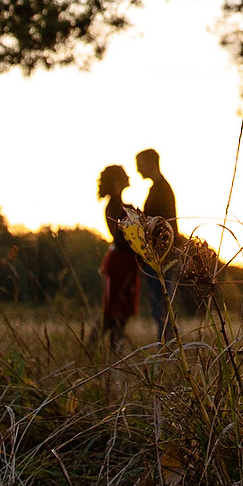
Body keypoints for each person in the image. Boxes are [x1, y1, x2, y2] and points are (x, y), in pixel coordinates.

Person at [135, 147, 179, 341]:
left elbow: (162, 225)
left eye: (140, 165)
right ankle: (167, 344)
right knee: (161, 303)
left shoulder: (161, 190)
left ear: (151, 163)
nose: (138, 170)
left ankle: (167, 345)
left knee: (161, 304)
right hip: (160, 255)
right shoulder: (159, 188)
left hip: (161, 256)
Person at [97, 164, 140, 350]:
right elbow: (121, 236)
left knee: (118, 310)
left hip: (124, 260)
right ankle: (102, 348)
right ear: (116, 182)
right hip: (121, 261)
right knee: (116, 310)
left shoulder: (118, 206)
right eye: (124, 175)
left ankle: (107, 348)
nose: (128, 177)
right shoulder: (116, 207)